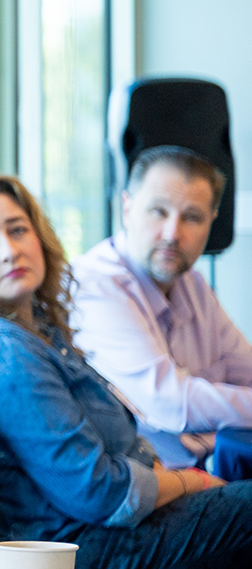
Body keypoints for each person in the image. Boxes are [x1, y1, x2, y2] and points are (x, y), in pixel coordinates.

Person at [0, 171, 252, 569]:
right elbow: (101, 494)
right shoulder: (1, 351)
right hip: (77, 547)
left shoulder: (21, 332)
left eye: (18, 230)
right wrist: (193, 480)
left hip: (94, 530)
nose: (9, 250)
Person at [73, 146, 252, 476]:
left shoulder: (193, 283)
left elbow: (246, 369)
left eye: (192, 217)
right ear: (127, 208)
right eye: (158, 211)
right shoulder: (95, 285)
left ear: (212, 221)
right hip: (152, 488)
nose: (172, 234)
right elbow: (171, 403)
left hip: (205, 471)